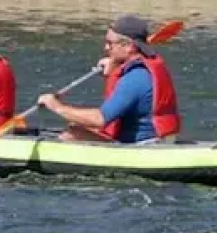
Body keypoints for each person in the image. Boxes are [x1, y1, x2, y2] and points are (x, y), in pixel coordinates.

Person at [37, 15, 182, 143]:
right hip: (160, 139)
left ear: (128, 46)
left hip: (146, 146)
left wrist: (56, 106)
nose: (106, 48)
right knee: (77, 127)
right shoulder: (143, 65)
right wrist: (115, 67)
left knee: (72, 135)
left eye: (110, 43)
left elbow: (99, 119)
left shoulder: (135, 78)